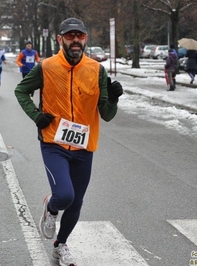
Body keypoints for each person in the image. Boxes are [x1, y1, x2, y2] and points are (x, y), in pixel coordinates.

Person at [14, 17, 123, 266]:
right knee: (64, 195)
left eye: (80, 36)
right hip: (54, 142)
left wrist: (114, 99)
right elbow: (21, 90)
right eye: (70, 35)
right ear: (60, 39)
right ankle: (51, 208)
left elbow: (106, 114)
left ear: (85, 39)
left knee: (76, 203)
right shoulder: (47, 67)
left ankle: (60, 246)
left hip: (85, 146)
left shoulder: (97, 70)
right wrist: (37, 116)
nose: (76, 40)